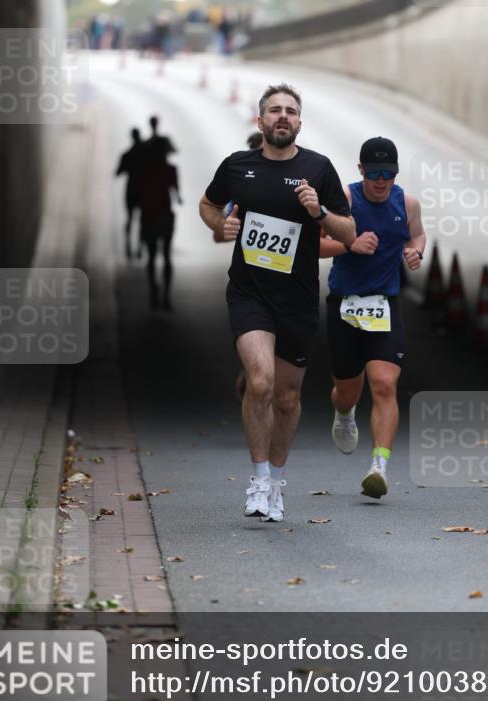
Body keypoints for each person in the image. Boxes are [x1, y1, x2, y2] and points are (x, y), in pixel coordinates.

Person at [199, 83, 355, 522]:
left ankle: (278, 482)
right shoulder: (237, 166)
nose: (282, 116)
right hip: (249, 293)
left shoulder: (318, 169)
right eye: (274, 110)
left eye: (290, 111)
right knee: (261, 382)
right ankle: (259, 480)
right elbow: (208, 205)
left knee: (287, 398)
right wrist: (220, 225)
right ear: (260, 121)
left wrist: (319, 213)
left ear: (299, 122)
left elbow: (348, 231)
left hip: (298, 299)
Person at [319, 137, 425, 500]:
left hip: (384, 305)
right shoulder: (345, 202)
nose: (381, 182)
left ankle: (379, 466)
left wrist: (415, 252)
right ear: (361, 170)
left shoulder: (407, 203)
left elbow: (418, 235)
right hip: (345, 303)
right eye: (375, 174)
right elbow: (315, 245)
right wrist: (350, 243)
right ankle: (345, 413)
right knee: (348, 390)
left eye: (389, 174)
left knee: (384, 384)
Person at [140, 146, 182, 311]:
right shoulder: (171, 170)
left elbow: (140, 193)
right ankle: (166, 296)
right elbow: (177, 195)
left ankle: (153, 291)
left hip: (149, 216)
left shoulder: (146, 171)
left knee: (150, 256)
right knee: (166, 255)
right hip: (165, 216)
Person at [115, 128, 145, 259]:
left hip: (131, 189)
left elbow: (117, 173)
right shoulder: (146, 154)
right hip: (143, 190)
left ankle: (128, 247)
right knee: (143, 220)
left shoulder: (127, 155)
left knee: (130, 218)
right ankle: (140, 248)